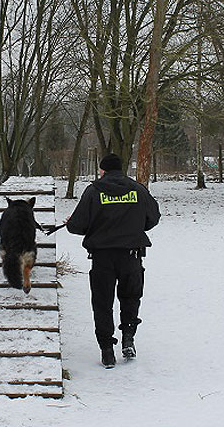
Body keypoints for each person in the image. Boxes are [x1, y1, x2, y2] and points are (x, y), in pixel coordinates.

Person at [66, 153, 160, 368]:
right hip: (131, 256)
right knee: (130, 298)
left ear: (103, 170)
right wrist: (133, 226)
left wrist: (81, 225)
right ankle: (128, 337)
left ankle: (107, 350)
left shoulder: (93, 191)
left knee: (102, 303)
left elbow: (77, 225)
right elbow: (153, 218)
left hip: (102, 258)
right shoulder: (138, 190)